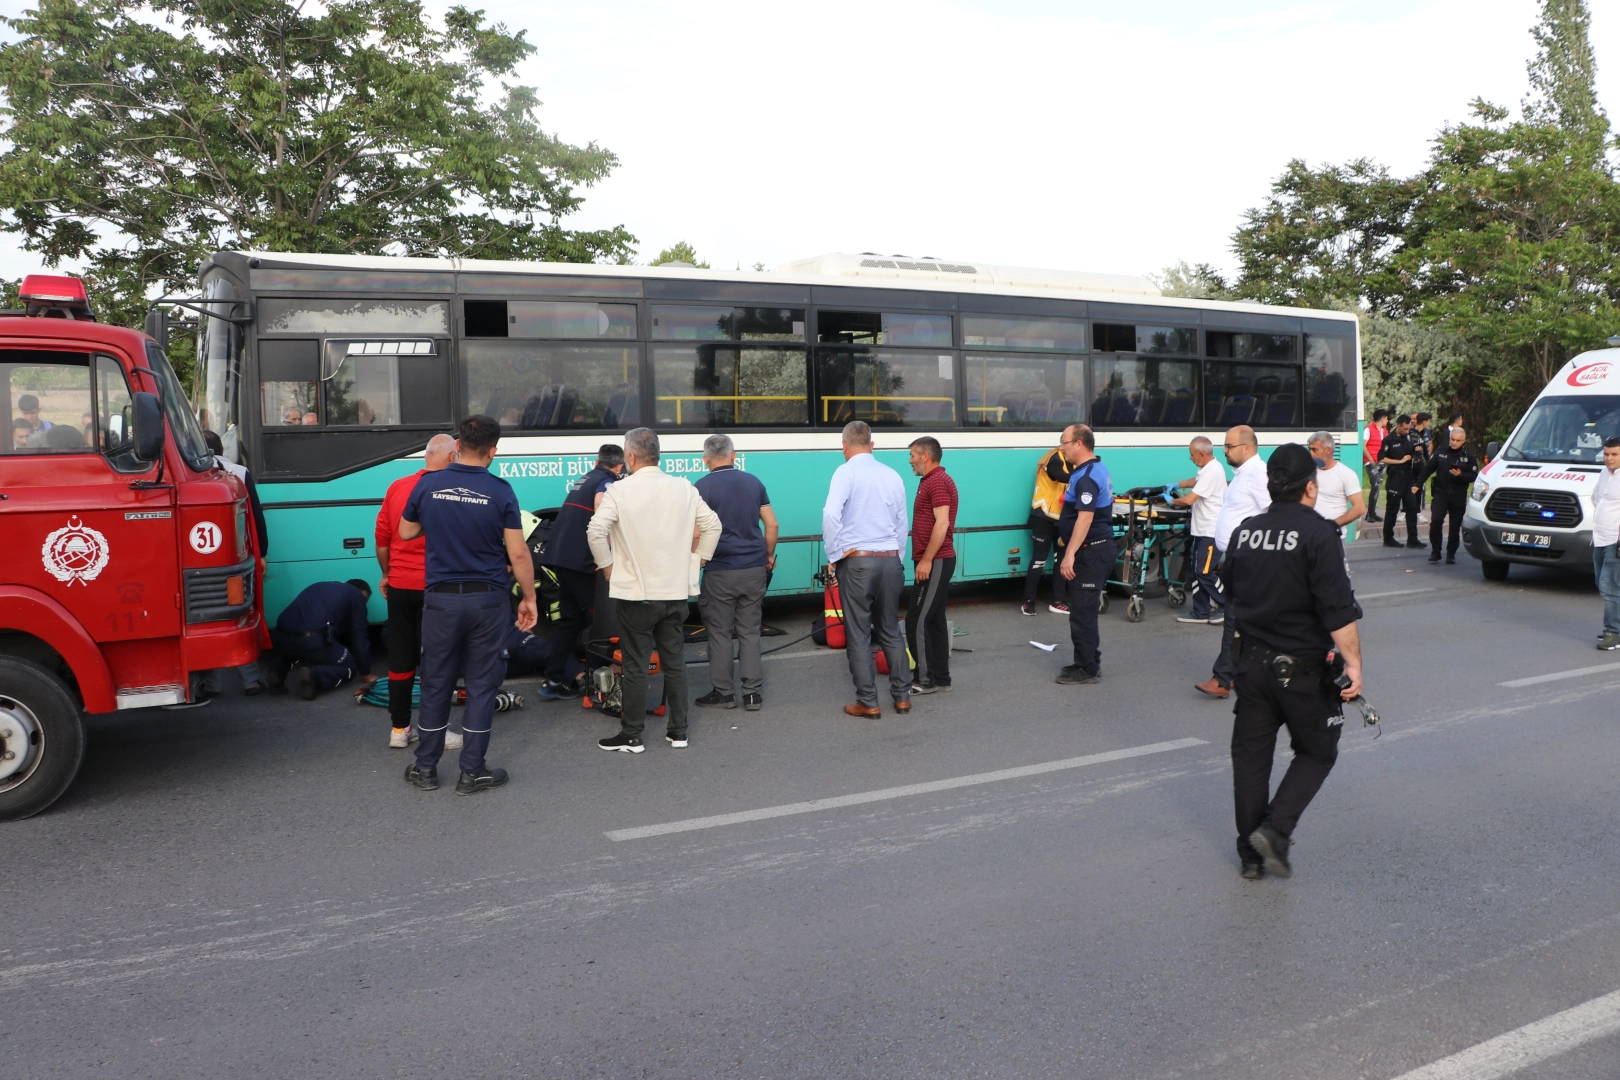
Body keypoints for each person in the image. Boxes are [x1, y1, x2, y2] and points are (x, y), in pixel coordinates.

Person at [1220, 443, 1363, 880]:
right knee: (1318, 752)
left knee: (1250, 760)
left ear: (1270, 484)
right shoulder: (1320, 533)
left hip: (1250, 667)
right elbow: (1337, 610)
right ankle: (1276, 830)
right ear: (1310, 487)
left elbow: (1229, 590)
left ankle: (1250, 857)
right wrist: (1354, 665)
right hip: (1301, 671)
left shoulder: (1246, 530)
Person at [397, 414, 538, 795]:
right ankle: (471, 772)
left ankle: (425, 768)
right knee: (480, 684)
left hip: (441, 600)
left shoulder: (429, 485)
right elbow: (519, 553)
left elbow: (406, 531)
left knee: (436, 682)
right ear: (493, 451)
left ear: (457, 445)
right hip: (487, 601)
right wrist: (529, 597)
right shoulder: (501, 491)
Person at [588, 427, 721, 751]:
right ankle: (679, 732)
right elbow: (713, 525)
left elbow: (595, 531)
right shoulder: (683, 488)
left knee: (635, 664)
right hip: (675, 592)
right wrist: (697, 562)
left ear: (630, 457)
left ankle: (632, 734)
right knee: (675, 662)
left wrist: (608, 568)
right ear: (657, 455)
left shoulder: (620, 491)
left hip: (636, 595)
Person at [822, 420, 911, 717]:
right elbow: (902, 524)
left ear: (844, 446)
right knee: (890, 631)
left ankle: (869, 702)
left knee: (859, 633)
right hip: (889, 559)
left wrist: (834, 554)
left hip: (857, 562)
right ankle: (902, 698)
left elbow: (831, 515)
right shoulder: (892, 475)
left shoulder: (845, 472)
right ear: (872, 445)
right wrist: (896, 557)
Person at [375, 433, 458, 748]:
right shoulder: (451, 490)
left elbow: (382, 535)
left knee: (401, 655)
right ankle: (435, 729)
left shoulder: (397, 487)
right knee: (437, 659)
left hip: (399, 586)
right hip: (436, 588)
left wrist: (387, 573)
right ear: (451, 457)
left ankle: (399, 730)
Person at [693, 433, 778, 711]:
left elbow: (696, 533)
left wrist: (697, 563)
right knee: (750, 632)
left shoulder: (701, 488)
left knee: (719, 632)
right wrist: (766, 556)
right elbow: (772, 525)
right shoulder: (754, 482)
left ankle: (724, 693)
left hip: (720, 571)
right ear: (734, 455)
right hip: (753, 568)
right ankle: (752, 694)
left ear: (705, 460)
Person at [537, 444, 625, 700]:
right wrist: (605, 555)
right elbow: (601, 507)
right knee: (601, 624)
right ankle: (600, 685)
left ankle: (554, 679)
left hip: (561, 559)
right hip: (581, 563)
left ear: (599, 460)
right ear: (619, 466)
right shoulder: (607, 482)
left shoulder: (585, 478)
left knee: (569, 621)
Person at [1194, 426, 1270, 699]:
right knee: (1243, 621)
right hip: (1237, 558)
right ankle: (1240, 673)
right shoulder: (1242, 475)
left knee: (1234, 618)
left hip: (1249, 559)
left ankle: (1223, 678)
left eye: (1229, 446)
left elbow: (1273, 512)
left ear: (1247, 448)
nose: (1224, 451)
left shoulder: (1258, 475)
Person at [196, 429, 270, 698]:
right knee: (240, 615)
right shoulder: (239, 471)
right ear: (221, 449)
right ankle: (251, 682)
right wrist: (262, 553)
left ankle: (212, 685)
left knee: (210, 619)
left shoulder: (191, 470)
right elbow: (256, 515)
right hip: (239, 556)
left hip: (202, 559)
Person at [1055, 423, 1117, 685]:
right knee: (1083, 611)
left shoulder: (1087, 476)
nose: (1062, 448)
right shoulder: (1091, 469)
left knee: (1082, 612)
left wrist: (1069, 554)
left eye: (1064, 443)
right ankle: (1086, 659)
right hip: (1093, 550)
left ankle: (1088, 668)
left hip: (1091, 552)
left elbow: (1084, 519)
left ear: (1079, 443)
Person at [906, 436, 958, 694]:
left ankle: (925, 680)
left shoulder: (936, 481)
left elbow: (942, 523)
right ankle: (941, 677)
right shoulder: (932, 480)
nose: (910, 460)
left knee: (916, 620)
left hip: (936, 560)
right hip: (936, 559)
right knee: (935, 620)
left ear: (925, 455)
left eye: (913, 455)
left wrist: (926, 560)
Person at [267, 579, 376, 700]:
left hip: (279, 636)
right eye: (364, 601)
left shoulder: (320, 586)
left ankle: (276, 674)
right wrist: (366, 672)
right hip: (310, 641)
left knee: (294, 649)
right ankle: (315, 676)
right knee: (349, 667)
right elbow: (360, 637)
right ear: (362, 594)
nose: (363, 604)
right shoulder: (356, 595)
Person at [1171, 435, 1227, 625]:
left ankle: (1227, 607)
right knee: (1197, 572)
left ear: (1202, 454)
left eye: (1192, 454)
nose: (1190, 458)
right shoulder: (1207, 469)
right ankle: (1200, 612)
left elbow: (1188, 500)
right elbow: (1196, 481)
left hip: (1211, 532)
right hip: (1202, 531)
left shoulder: (1212, 471)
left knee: (1204, 572)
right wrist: (1179, 484)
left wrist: (1170, 500)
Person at [1022, 442, 1074, 616]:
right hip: (1043, 516)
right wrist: (1082, 473)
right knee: (1039, 560)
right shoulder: (1054, 458)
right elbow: (1057, 474)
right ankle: (1028, 602)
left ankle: (1057, 601)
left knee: (1061, 560)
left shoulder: (1073, 460)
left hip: (1062, 518)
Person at [1417, 427, 1479, 565]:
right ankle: (1436, 551)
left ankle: (1451, 553)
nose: (1454, 443)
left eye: (1458, 440)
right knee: (1436, 521)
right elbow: (1428, 469)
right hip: (1441, 492)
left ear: (1464, 441)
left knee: (1454, 526)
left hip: (1458, 493)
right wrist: (1417, 484)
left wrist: (1461, 475)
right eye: (1452, 439)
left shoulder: (1468, 456)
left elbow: (1474, 476)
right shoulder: (1441, 453)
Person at [1305, 432, 1367, 538]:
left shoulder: (1345, 474)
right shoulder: (1309, 472)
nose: (1311, 453)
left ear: (1328, 450)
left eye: (1315, 449)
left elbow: (1360, 507)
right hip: (1309, 535)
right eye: (1309, 449)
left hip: (1332, 537)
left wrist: (1331, 526)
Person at [1590, 437, 1620, 650]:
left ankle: (1613, 632)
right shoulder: (1603, 474)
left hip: (1615, 541)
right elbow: (1596, 498)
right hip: (1599, 538)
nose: (1609, 459)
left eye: (1614, 454)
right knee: (1602, 585)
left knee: (1610, 588)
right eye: (1606, 454)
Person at [1378, 414, 1423, 549]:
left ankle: (1413, 539)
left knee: (1411, 507)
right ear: (1398, 426)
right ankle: (1388, 538)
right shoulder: (1389, 440)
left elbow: (1410, 451)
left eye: (1409, 428)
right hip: (1395, 476)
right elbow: (1381, 458)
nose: (1407, 431)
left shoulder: (1409, 436)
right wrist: (1399, 461)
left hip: (1408, 477)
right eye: (1405, 429)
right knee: (1392, 508)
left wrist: (1416, 451)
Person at [1363, 409, 1389, 522]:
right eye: (1387, 418)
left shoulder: (1384, 431)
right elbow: (1363, 446)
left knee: (1378, 487)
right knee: (1376, 485)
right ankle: (1370, 514)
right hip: (1372, 462)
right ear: (1382, 418)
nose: (1387, 421)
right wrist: (1371, 460)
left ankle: (1372, 513)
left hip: (1383, 462)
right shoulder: (1368, 430)